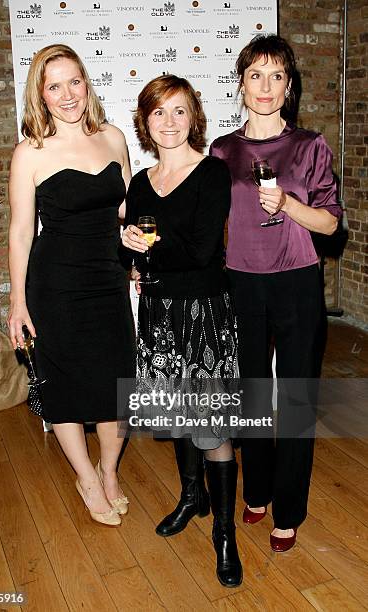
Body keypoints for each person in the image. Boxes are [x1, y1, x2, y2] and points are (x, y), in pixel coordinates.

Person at [210, 34, 342, 552]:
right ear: (241, 85)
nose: (266, 87)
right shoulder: (223, 151)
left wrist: (286, 202)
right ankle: (257, 487)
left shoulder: (310, 146)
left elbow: (330, 225)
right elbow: (207, 225)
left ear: (289, 88)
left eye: (277, 76)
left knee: (293, 399)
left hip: (296, 283)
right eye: (255, 76)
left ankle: (287, 507)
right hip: (240, 281)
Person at [121, 74, 242, 587]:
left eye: (178, 111)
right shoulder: (140, 183)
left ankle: (224, 532)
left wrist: (147, 247)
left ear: (193, 116)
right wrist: (129, 250)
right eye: (157, 112)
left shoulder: (213, 173)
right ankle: (191, 497)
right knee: (176, 411)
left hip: (205, 312)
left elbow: (199, 251)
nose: (168, 122)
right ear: (145, 123)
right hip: (160, 314)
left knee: (211, 425)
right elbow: (132, 252)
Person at [8, 44, 135, 526]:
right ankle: (86, 476)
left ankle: (109, 472)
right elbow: (21, 232)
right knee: (63, 385)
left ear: (87, 83)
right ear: (40, 95)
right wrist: (18, 301)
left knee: (117, 385)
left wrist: (141, 243)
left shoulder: (113, 137)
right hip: (54, 285)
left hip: (107, 278)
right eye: (54, 85)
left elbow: (124, 210)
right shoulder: (30, 152)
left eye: (74, 81)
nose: (67, 94)